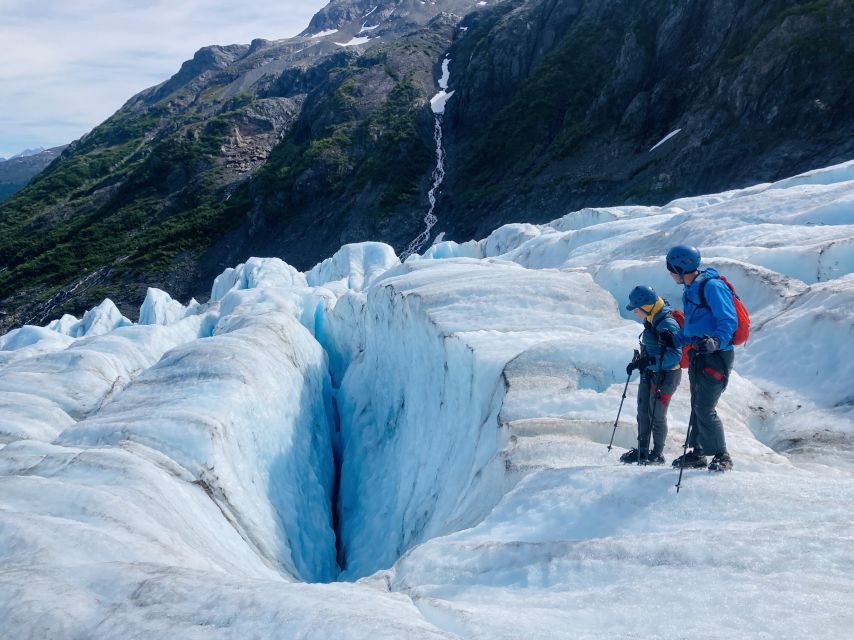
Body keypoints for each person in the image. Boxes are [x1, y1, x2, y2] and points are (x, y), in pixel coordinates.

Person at [660, 245, 737, 471]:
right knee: (697, 404)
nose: (670, 273)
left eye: (671, 269)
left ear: (680, 268)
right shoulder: (691, 288)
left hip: (717, 356)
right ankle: (699, 452)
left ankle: (722, 456)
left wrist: (715, 342)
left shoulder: (712, 287)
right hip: (698, 354)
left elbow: (728, 321)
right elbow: (693, 328)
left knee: (705, 407)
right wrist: (674, 341)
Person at [621, 285, 683, 465]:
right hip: (650, 373)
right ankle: (642, 452)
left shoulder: (666, 323)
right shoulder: (652, 318)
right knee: (643, 411)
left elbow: (675, 355)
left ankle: (657, 454)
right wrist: (640, 362)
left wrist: (650, 362)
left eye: (636, 309)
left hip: (666, 375)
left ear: (646, 306)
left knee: (657, 415)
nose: (635, 312)